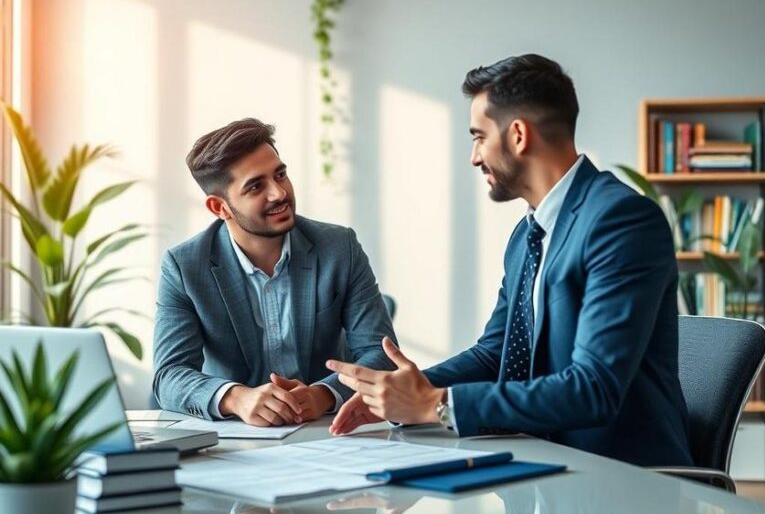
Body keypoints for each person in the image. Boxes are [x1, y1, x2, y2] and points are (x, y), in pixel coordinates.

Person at [328, 54, 693, 467]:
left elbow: (594, 387)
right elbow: (495, 353)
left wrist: (437, 404)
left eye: (478, 137)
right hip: (542, 465)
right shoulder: (528, 234)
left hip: (624, 478)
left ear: (518, 135)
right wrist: (407, 388)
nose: (474, 156)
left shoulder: (621, 221)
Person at [153, 118, 396, 426]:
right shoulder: (185, 266)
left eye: (280, 175)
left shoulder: (339, 247)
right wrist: (236, 398)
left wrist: (322, 395)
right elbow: (169, 375)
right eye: (256, 186)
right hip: (237, 442)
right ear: (220, 207)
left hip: (326, 431)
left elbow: (382, 355)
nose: (279, 193)